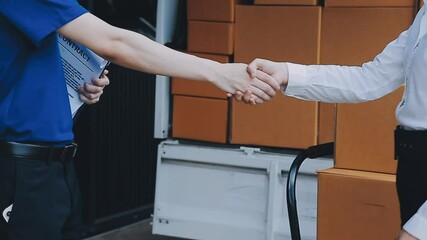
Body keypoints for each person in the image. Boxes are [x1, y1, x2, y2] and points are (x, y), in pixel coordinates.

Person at [0, 0, 280, 239]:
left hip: (54, 167)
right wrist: (218, 72)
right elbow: (115, 43)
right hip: (22, 170)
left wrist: (72, 84)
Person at [237, 3, 427, 239]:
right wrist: (286, 73)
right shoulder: (425, 14)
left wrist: (420, 228)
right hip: (413, 164)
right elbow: (369, 79)